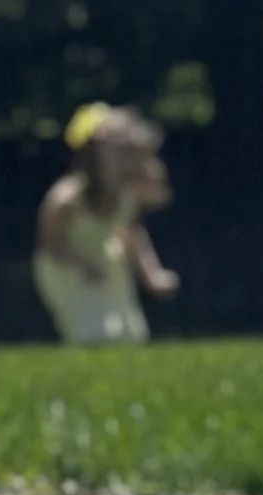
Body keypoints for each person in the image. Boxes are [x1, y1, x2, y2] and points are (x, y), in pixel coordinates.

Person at [31, 101, 179, 344]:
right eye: (120, 152)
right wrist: (83, 264)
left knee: (131, 333)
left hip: (107, 263)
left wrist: (152, 274)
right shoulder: (66, 199)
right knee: (96, 334)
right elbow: (51, 246)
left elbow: (132, 233)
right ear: (94, 155)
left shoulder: (128, 195)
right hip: (68, 268)